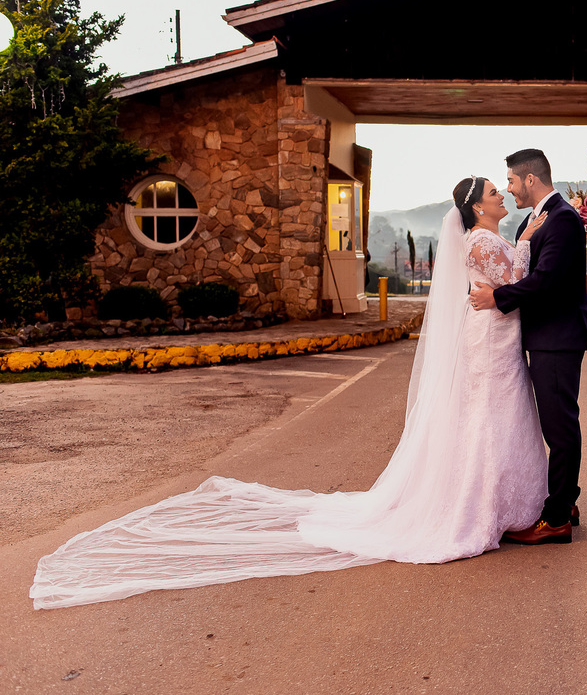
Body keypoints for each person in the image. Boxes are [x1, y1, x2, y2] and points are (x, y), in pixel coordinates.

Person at [29, 176, 547, 610]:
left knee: (495, 417)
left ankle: (501, 502)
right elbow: (516, 276)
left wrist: (520, 242)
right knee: (487, 418)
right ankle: (483, 506)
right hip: (489, 341)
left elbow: (505, 284)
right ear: (476, 207)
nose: (501, 195)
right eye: (493, 192)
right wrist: (529, 237)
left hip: (496, 335)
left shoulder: (486, 236)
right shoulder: (482, 241)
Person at [469, 149, 587, 545]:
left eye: (510, 180)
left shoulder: (562, 219)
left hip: (557, 338)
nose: (509, 188)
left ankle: (556, 518)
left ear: (529, 179)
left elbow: (546, 281)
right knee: (555, 424)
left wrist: (497, 298)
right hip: (542, 337)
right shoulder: (532, 220)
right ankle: (565, 500)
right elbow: (523, 271)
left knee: (559, 427)